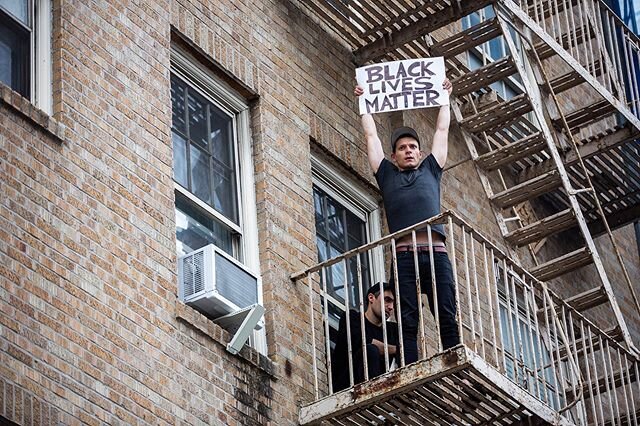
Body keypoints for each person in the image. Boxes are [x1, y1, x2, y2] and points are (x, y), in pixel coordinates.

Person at [354, 79, 460, 365]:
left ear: (420, 153)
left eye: (413, 146)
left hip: (436, 254)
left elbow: (441, 130)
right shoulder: (386, 174)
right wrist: (365, 105)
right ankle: (411, 367)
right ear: (394, 156)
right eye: (403, 148)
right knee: (409, 320)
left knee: (447, 313)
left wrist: (445, 99)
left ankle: (456, 364)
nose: (409, 150)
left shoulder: (431, 168)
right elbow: (371, 138)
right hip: (404, 257)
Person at [331, 282, 399, 392]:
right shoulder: (352, 318)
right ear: (371, 298)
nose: (391, 307)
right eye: (387, 300)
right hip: (347, 386)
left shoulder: (393, 330)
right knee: (370, 350)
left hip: (383, 387)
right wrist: (396, 349)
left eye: (394, 303)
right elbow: (361, 341)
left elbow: (406, 353)